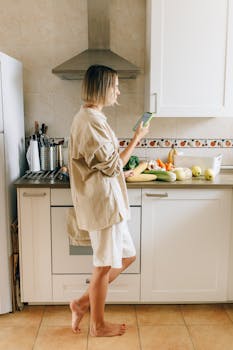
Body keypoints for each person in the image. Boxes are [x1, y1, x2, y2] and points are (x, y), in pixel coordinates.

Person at [68, 64, 149, 337]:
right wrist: (137, 138)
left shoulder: (95, 117)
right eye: (114, 85)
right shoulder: (89, 121)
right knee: (103, 265)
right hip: (102, 205)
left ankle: (81, 303)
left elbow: (107, 166)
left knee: (127, 256)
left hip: (109, 202)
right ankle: (98, 325)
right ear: (102, 88)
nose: (118, 90)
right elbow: (113, 165)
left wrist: (120, 171)